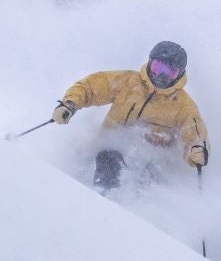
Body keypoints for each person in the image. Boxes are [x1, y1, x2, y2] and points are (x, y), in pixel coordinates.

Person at [52, 40, 209, 191]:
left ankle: (139, 212)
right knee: (108, 158)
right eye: (157, 67)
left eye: (170, 72)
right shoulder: (127, 83)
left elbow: (195, 133)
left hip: (152, 161)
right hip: (109, 151)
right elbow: (90, 87)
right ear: (149, 63)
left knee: (150, 174)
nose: (161, 76)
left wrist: (197, 150)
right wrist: (70, 104)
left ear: (180, 75)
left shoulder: (182, 105)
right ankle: (101, 201)